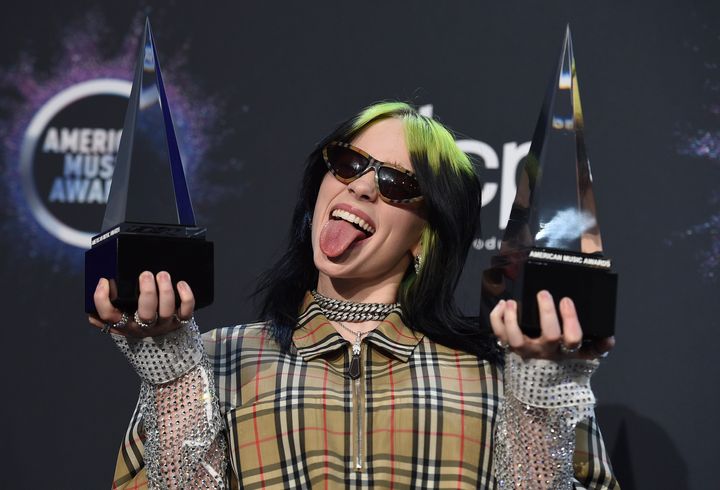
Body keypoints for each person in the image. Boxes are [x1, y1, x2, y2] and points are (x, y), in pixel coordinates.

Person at [90, 102, 618, 489]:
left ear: (426, 237)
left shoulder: (502, 377)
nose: (361, 187)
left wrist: (539, 399)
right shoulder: (214, 362)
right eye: (348, 163)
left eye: (395, 184)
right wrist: (173, 376)